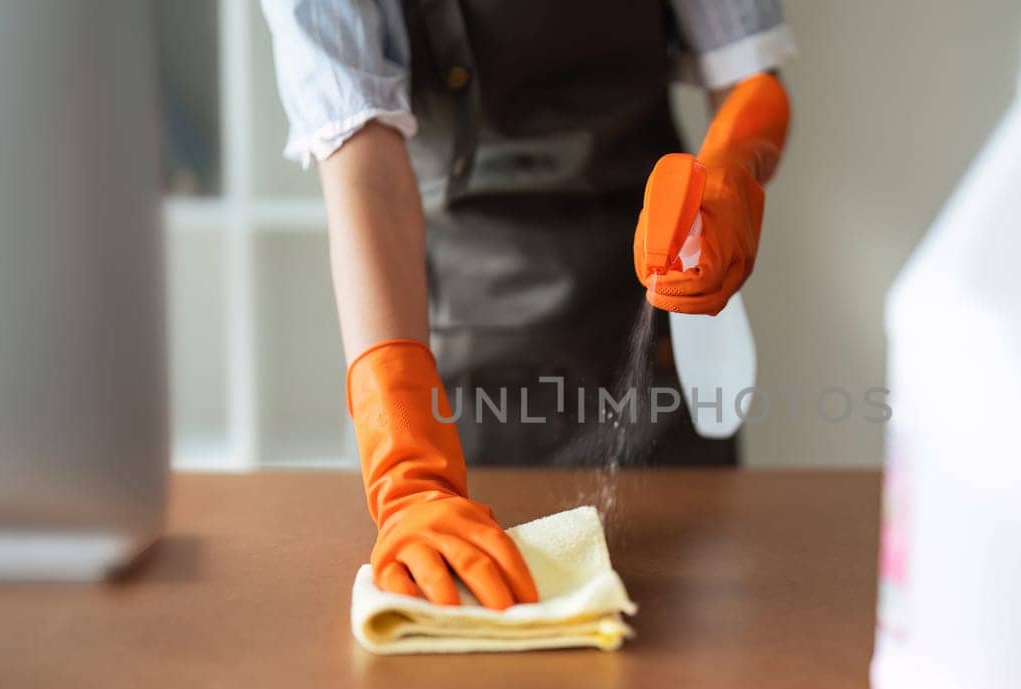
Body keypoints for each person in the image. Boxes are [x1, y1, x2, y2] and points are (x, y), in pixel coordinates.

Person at [262, 0, 794, 608]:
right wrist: (408, 474)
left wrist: (730, 166)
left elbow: (750, 78)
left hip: (658, 314)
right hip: (440, 351)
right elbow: (363, 162)